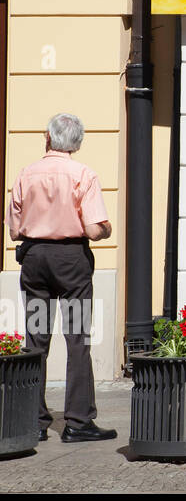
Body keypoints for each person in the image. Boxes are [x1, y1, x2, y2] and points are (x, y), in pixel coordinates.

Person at [7, 113, 115, 442]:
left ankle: (34, 421)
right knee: (77, 339)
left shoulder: (26, 174)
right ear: (77, 143)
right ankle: (78, 423)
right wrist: (106, 228)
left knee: (36, 340)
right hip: (71, 263)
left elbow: (14, 230)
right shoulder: (83, 174)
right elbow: (95, 229)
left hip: (35, 259)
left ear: (48, 138)